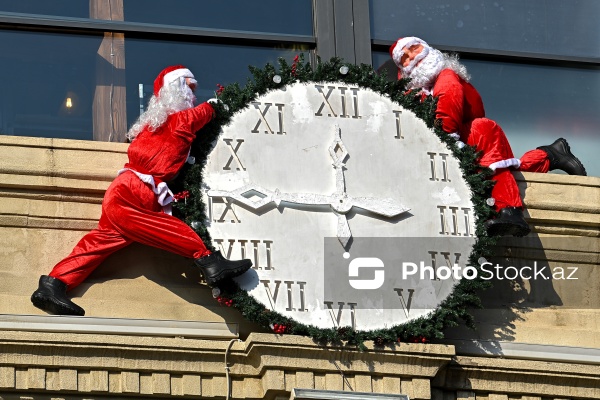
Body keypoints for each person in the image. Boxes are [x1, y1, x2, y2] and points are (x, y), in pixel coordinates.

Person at [31, 65, 252, 316]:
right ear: (175, 89)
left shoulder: (152, 125)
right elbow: (201, 114)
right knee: (162, 227)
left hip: (128, 189)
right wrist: (217, 104)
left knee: (98, 243)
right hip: (133, 191)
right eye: (189, 87)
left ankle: (53, 285)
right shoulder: (179, 120)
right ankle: (209, 262)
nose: (193, 93)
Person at [388, 36, 587, 237]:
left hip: (475, 135)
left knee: (494, 166)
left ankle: (508, 211)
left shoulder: (446, 78)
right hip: (463, 139)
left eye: (413, 48)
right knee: (509, 168)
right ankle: (550, 154)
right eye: (404, 58)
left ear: (426, 47)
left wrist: (444, 138)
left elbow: (447, 113)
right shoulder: (413, 94)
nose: (413, 57)